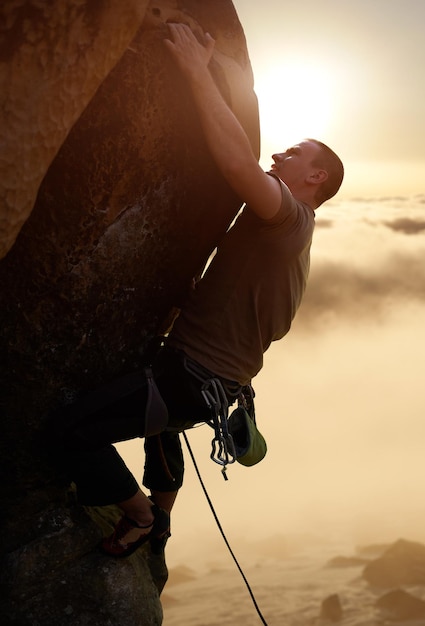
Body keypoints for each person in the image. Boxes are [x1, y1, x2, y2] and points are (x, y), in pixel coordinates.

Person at [57, 23, 344, 558]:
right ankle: (161, 517)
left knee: (69, 432)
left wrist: (194, 70)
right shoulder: (290, 231)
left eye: (293, 154)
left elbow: (237, 164)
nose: (278, 156)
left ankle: (141, 517)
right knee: (161, 429)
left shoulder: (288, 216)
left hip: (192, 379)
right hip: (212, 383)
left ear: (316, 176)